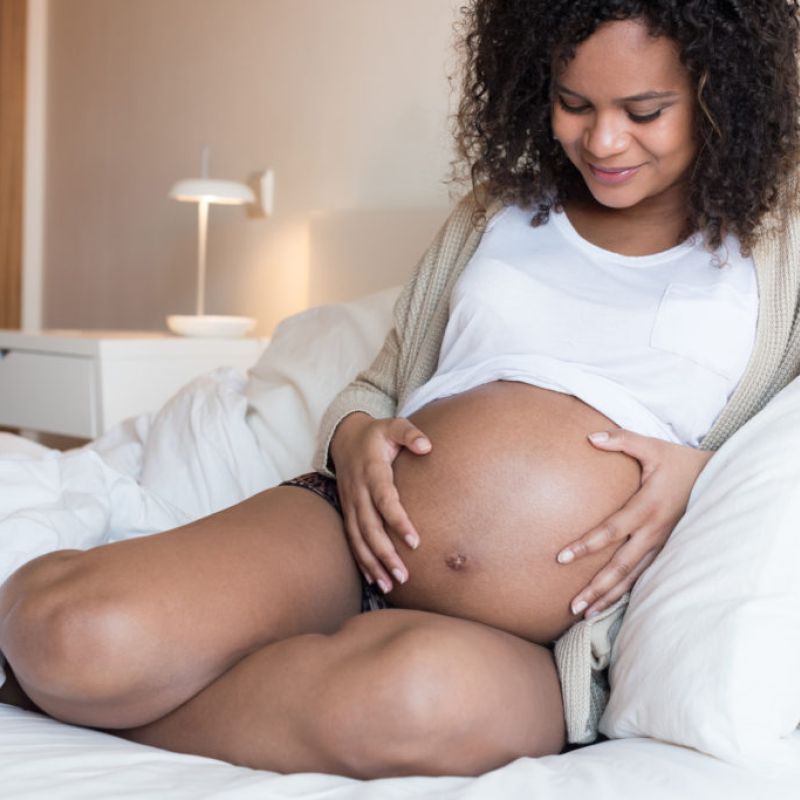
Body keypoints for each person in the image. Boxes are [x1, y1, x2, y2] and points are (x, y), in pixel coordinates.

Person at [1, 0, 800, 780]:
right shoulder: (500, 211)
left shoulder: (777, 239)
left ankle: (94, 702)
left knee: (418, 703)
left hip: (538, 638)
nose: (602, 139)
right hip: (347, 536)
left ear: (717, 90)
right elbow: (380, 380)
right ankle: (76, 680)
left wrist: (706, 475)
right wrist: (352, 434)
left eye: (645, 109)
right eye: (573, 103)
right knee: (68, 631)